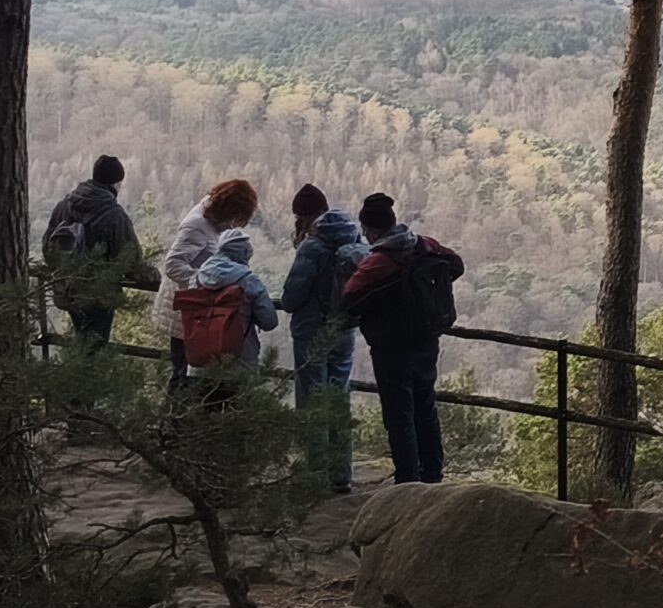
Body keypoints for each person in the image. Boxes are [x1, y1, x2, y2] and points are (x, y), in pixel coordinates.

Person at [343, 192, 464, 484]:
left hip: (390, 346)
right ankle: (432, 474)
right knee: (425, 407)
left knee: (399, 415)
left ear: (372, 231)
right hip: (426, 339)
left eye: (366, 230)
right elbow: (456, 265)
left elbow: (349, 298)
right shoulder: (425, 245)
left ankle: (407, 481)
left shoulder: (378, 262)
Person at [280, 183, 369, 492]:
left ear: (303, 217)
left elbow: (291, 297)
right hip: (344, 330)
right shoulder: (354, 240)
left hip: (311, 332)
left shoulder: (313, 247)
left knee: (312, 401)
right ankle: (341, 475)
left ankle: (315, 475)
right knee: (338, 398)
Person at [155, 178, 259, 384]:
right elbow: (173, 265)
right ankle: (177, 405)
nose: (234, 223)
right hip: (187, 311)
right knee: (182, 373)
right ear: (228, 210)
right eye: (236, 216)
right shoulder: (197, 225)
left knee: (188, 372)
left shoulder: (211, 217)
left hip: (195, 311)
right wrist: (206, 281)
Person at [40, 154, 140, 352]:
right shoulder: (114, 215)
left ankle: (77, 368)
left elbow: (48, 248)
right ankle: (86, 371)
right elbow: (131, 258)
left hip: (67, 289)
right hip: (98, 294)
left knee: (82, 338)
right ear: (116, 183)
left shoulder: (65, 205)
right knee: (95, 346)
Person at [177, 227, 279, 371]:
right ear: (245, 253)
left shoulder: (197, 278)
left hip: (200, 361)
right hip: (240, 363)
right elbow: (269, 322)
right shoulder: (250, 281)